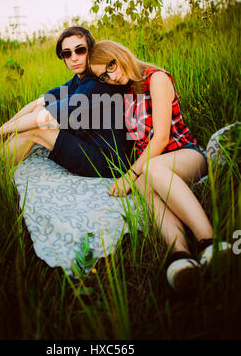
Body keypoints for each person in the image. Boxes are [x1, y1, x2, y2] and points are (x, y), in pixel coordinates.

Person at [88, 39, 231, 291]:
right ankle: (181, 255)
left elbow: (162, 137)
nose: (112, 76)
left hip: (185, 154)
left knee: (148, 171)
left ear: (120, 54)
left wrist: (129, 175)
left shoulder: (156, 78)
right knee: (143, 186)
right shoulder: (126, 91)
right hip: (155, 165)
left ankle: (209, 242)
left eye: (111, 65)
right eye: (104, 76)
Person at [0, 27, 132, 178]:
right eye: (67, 53)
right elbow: (39, 101)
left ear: (91, 50)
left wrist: (0, 132)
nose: (74, 58)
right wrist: (3, 128)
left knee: (38, 129)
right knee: (39, 109)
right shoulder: (78, 80)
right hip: (89, 144)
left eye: (80, 50)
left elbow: (44, 119)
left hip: (108, 161)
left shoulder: (96, 84)